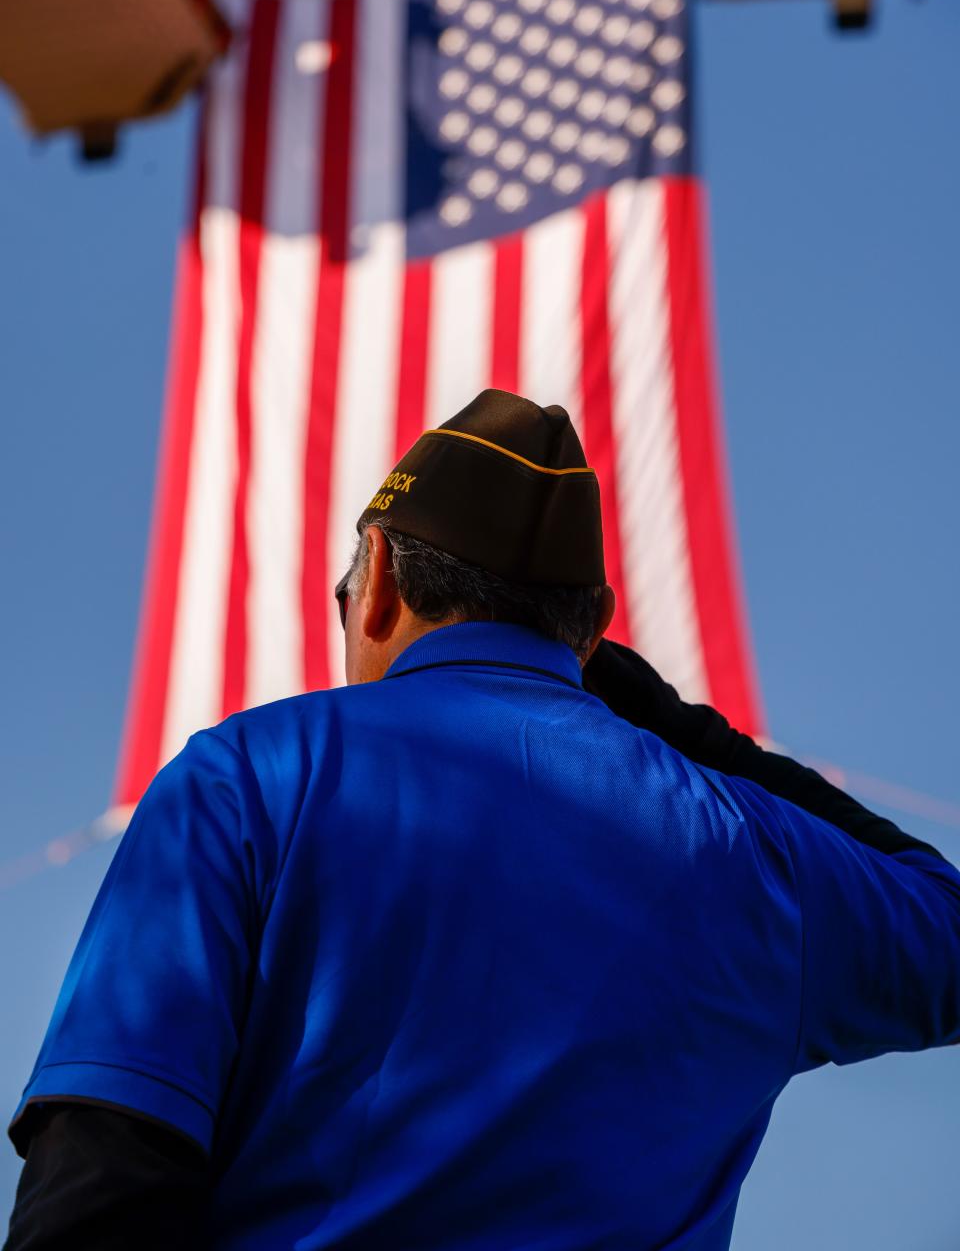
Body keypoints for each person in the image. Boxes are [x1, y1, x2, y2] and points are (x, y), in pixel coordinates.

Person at [6, 389, 960, 1251]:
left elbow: (101, 1177)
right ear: (592, 631)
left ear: (376, 578)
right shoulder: (756, 850)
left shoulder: (249, 777)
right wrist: (687, 731)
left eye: (342, 594)